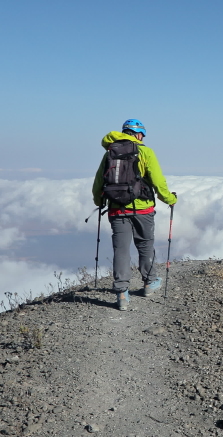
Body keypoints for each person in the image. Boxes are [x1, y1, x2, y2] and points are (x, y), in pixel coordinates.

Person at [92, 119, 177, 311]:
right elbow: (157, 181)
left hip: (116, 209)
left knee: (121, 250)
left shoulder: (109, 154)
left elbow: (98, 183)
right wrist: (170, 199)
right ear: (138, 134)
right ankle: (149, 283)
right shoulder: (146, 152)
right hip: (143, 209)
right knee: (145, 244)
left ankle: (122, 293)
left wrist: (99, 202)